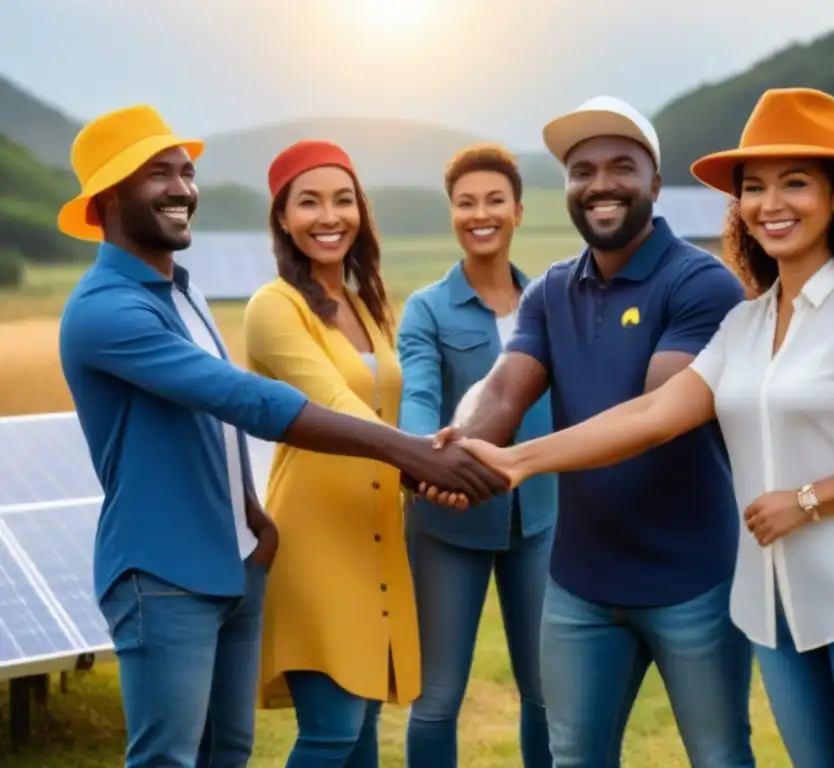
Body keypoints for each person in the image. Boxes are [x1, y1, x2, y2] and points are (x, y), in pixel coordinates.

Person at [454, 88, 834, 768]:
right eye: (754, 187)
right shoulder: (747, 323)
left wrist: (808, 499)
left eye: (796, 183)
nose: (771, 203)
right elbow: (651, 415)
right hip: (778, 610)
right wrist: (516, 461)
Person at [56, 106, 505, 768]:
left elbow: (206, 424)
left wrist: (253, 519)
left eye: (187, 172)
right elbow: (241, 398)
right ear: (108, 198)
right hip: (161, 572)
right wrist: (408, 453)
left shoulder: (183, 293)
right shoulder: (105, 311)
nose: (182, 188)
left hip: (234, 559)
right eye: (159, 174)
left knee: (228, 753)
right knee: (167, 760)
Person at [427, 97, 756, 767]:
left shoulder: (702, 284)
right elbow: (502, 387)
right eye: (582, 171)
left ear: (655, 184)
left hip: (694, 583)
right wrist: (457, 451)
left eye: (621, 167)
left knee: (720, 759)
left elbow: (652, 419)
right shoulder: (549, 292)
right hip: (579, 585)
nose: (600, 184)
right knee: (574, 759)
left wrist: (516, 461)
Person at [240, 139, 422, 766]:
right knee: (332, 731)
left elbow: (387, 411)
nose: (329, 217)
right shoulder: (274, 306)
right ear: (283, 219)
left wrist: (431, 459)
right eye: (309, 202)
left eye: (343, 200)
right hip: (314, 537)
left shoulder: (368, 304)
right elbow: (334, 407)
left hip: (376, 533)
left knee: (362, 729)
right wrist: (424, 460)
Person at [397, 144, 557, 768]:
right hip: (445, 523)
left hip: (540, 520)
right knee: (436, 699)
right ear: (452, 215)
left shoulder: (551, 301)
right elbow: (419, 394)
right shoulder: (426, 309)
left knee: (545, 695)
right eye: (466, 203)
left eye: (494, 200)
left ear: (518, 210)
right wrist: (422, 464)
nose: (480, 213)